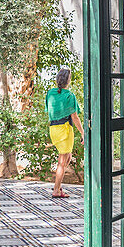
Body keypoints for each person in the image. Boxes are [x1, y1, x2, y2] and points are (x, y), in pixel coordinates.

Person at [45, 67, 84, 199]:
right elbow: (75, 117)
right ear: (68, 80)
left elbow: (50, 111)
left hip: (54, 129)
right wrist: (83, 133)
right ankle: (56, 190)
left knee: (67, 157)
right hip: (65, 129)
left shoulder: (51, 93)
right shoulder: (69, 95)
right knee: (62, 161)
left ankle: (59, 185)